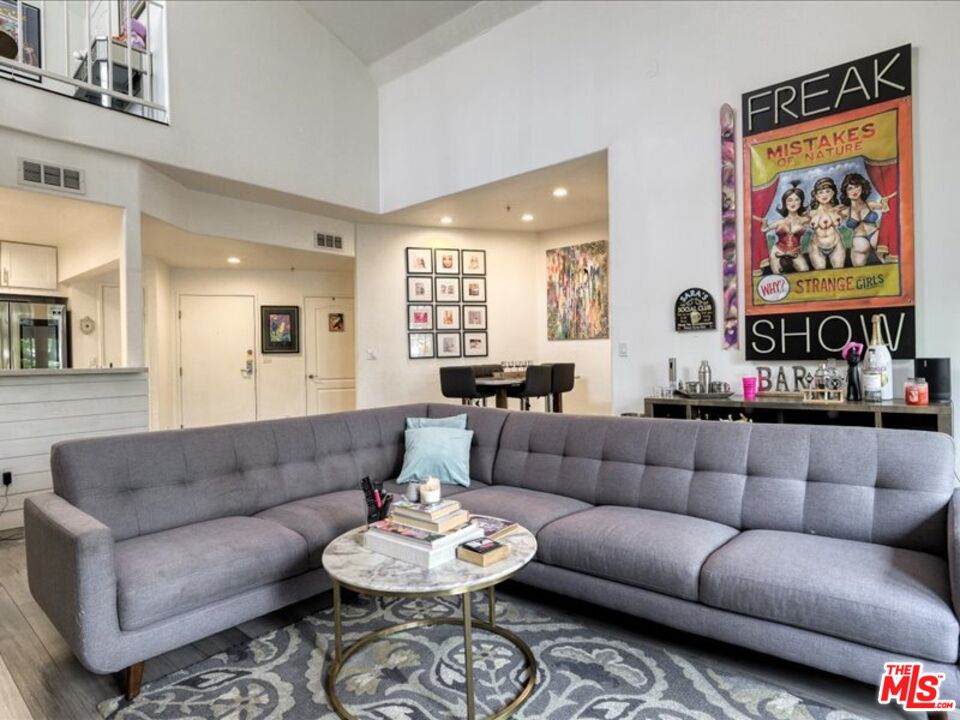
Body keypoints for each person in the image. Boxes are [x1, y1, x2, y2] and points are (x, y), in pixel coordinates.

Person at [839, 172, 897, 267]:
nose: (854, 191)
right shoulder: (845, 211)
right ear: (846, 192)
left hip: (875, 234)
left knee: (889, 264)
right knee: (859, 270)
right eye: (850, 188)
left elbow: (889, 206)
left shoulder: (870, 204)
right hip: (859, 239)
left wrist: (888, 198)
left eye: (857, 186)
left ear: (862, 187)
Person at [754, 181, 810, 274]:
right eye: (790, 200)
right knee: (778, 275)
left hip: (795, 252)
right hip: (777, 251)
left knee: (805, 271)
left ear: (801, 202)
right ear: (785, 203)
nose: (793, 203)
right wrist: (764, 222)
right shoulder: (780, 222)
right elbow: (764, 230)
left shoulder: (805, 219)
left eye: (796, 199)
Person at [807, 177, 846, 270]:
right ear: (816, 196)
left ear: (833, 193)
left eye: (827, 191)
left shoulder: (839, 209)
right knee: (820, 273)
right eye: (820, 192)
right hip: (816, 247)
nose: (824, 195)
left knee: (839, 271)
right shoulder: (811, 213)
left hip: (836, 245)